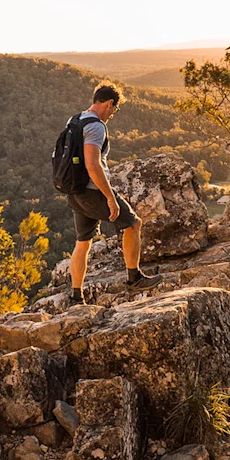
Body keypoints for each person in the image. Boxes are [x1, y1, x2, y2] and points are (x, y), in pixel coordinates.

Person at [65, 83, 159, 305]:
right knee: (133, 224)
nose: (113, 115)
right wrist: (109, 197)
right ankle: (134, 277)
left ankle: (76, 296)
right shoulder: (96, 126)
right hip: (92, 190)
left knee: (83, 241)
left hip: (74, 189)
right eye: (115, 110)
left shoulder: (74, 120)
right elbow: (92, 164)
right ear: (109, 103)